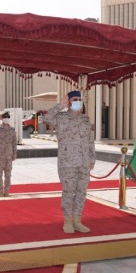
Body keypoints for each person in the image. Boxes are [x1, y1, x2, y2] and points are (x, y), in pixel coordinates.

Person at [45, 89, 96, 233]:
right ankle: (67, 221)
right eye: (74, 100)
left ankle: (77, 221)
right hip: (67, 163)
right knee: (68, 192)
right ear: (68, 102)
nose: (78, 102)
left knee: (81, 192)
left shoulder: (85, 119)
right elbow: (46, 118)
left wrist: (92, 159)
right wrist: (60, 105)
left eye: (79, 100)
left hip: (84, 162)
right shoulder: (60, 118)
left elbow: (90, 141)